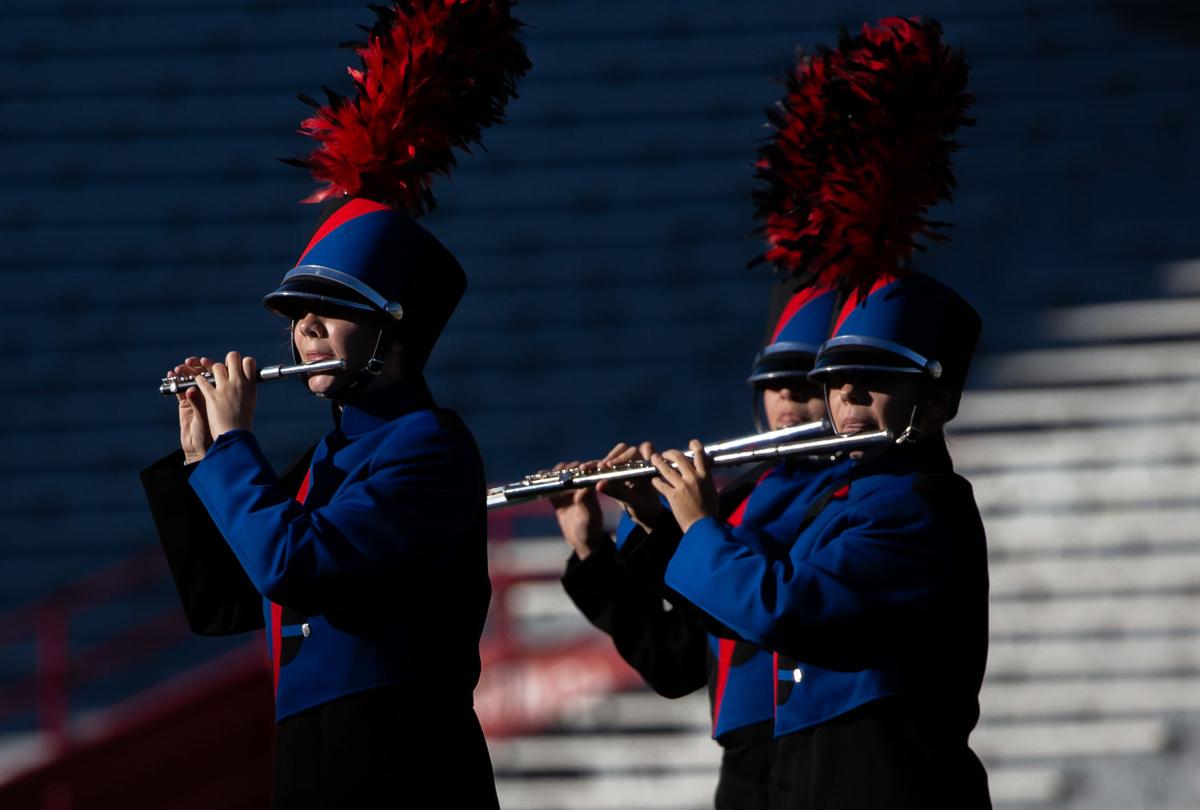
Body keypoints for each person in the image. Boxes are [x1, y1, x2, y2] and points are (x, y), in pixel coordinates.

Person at [141, 3, 529, 807]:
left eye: (331, 309)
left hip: (405, 763)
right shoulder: (326, 462)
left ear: (395, 333)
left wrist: (234, 449)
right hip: (314, 760)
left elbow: (293, 564)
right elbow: (224, 604)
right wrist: (196, 455)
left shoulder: (429, 448)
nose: (305, 327)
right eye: (295, 315)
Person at [646, 272, 991, 808]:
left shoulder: (920, 504)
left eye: (876, 376)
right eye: (834, 378)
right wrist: (655, 524)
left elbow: (786, 608)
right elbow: (724, 624)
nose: (847, 393)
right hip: (810, 772)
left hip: (888, 778)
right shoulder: (844, 500)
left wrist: (697, 527)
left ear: (939, 403)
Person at [552, 282, 851, 810]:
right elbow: (674, 662)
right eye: (772, 383)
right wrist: (592, 548)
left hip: (826, 747)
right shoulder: (733, 501)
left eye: (804, 384)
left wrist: (680, 526)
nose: (786, 398)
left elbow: (767, 605)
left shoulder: (851, 499)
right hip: (745, 763)